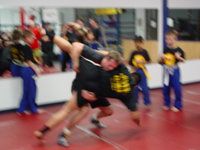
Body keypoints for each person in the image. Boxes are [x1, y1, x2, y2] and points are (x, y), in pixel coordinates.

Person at [34, 34, 141, 147]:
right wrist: (75, 63)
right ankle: (60, 134)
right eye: (109, 65)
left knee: (108, 111)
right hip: (85, 85)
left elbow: (77, 48)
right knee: (82, 110)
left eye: (112, 67)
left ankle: (95, 119)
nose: (110, 68)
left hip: (97, 91)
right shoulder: (104, 65)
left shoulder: (117, 67)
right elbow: (76, 47)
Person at [10, 29, 40, 114]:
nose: (33, 38)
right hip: (27, 70)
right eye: (32, 37)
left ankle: (25, 108)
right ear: (26, 38)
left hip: (25, 69)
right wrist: (36, 70)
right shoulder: (26, 47)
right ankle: (30, 109)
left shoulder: (21, 46)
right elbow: (28, 61)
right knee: (29, 90)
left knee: (30, 89)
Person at [159, 30, 185, 112]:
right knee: (165, 88)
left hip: (175, 70)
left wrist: (178, 57)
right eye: (167, 39)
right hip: (166, 70)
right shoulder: (165, 49)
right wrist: (161, 58)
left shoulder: (179, 50)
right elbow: (160, 62)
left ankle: (178, 105)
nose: (168, 41)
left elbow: (183, 60)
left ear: (175, 39)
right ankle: (166, 104)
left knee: (177, 88)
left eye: (170, 39)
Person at [129, 36, 151, 108]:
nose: (137, 44)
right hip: (135, 71)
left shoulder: (145, 52)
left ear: (142, 43)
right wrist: (133, 70)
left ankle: (147, 103)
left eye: (139, 43)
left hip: (143, 71)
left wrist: (143, 61)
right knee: (135, 88)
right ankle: (135, 102)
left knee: (144, 88)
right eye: (136, 43)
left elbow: (149, 61)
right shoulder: (133, 52)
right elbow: (130, 63)